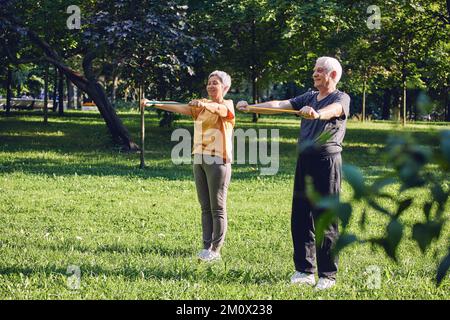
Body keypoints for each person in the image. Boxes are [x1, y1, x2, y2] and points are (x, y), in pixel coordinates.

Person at [237, 57, 350, 290]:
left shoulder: (340, 98)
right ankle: (304, 271)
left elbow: (334, 111)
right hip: (305, 160)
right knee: (300, 216)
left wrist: (317, 114)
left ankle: (327, 275)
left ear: (333, 76)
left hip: (327, 161)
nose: (315, 73)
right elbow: (281, 104)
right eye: (315, 70)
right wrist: (252, 107)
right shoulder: (308, 97)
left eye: (320, 71)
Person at [141, 71, 235, 262]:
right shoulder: (199, 106)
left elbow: (221, 111)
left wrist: (204, 104)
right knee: (205, 207)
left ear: (225, 87)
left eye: (215, 83)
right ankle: (206, 246)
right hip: (199, 158)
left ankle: (216, 250)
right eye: (209, 83)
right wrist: (153, 103)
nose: (210, 86)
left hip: (218, 160)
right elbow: (178, 107)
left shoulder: (227, 105)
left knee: (217, 208)